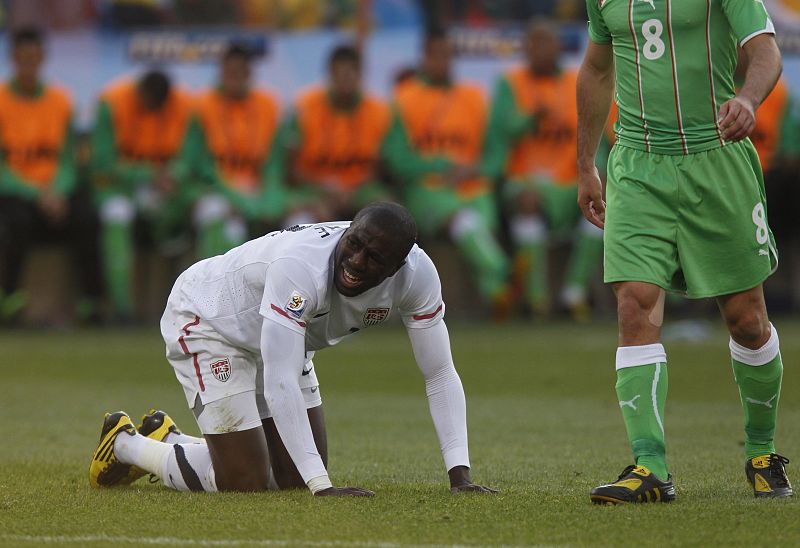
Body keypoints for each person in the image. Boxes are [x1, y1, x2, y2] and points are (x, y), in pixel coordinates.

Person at [89, 202, 497, 496]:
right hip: (210, 320)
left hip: (283, 336)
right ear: (348, 230)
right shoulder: (302, 267)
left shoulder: (418, 276)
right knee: (244, 479)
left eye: (373, 258)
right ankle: (125, 444)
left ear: (397, 268)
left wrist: (459, 474)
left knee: (294, 477)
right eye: (353, 243)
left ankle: (173, 438)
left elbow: (440, 373)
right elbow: (281, 379)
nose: (354, 260)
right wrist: (324, 489)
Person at [577, 1, 791, 503]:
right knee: (635, 302)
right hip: (636, 165)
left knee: (747, 319)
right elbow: (596, 66)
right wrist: (586, 162)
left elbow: (766, 51)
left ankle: (761, 452)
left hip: (715, 159)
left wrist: (748, 98)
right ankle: (649, 466)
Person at [483, 18, 603, 321]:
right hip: (524, 182)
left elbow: (599, 132)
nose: (540, 50)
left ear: (559, 47)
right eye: (533, 44)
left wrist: (597, 170)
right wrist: (530, 119)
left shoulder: (577, 82)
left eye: (546, 43)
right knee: (528, 203)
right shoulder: (510, 84)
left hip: (567, 182)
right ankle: (535, 300)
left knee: (601, 202)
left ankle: (573, 294)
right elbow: (499, 131)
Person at [394, 27, 510, 313]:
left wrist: (475, 169)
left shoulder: (474, 97)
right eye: (436, 55)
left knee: (474, 221)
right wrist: (440, 165)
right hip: (428, 188)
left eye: (447, 55)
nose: (442, 62)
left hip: (472, 186)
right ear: (424, 57)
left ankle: (498, 295)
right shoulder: (403, 99)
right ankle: (505, 272)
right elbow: (396, 158)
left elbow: (495, 151)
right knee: (465, 221)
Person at [0, 26, 102, 324]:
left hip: (55, 193)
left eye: (35, 57)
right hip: (17, 194)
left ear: (43, 58)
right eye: (23, 58)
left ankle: (92, 303)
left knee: (87, 216)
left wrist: (57, 191)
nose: (29, 64)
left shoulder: (61, 102)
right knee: (15, 221)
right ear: (13, 58)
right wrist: (36, 194)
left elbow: (69, 161)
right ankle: (10, 301)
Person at [283, 44, 442, 225]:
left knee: (389, 214)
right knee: (300, 219)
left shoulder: (379, 112)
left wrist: (351, 190)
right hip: (314, 189)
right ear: (329, 74)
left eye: (351, 73)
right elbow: (292, 169)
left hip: (362, 189)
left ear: (361, 74)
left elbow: (383, 166)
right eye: (340, 74)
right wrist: (324, 189)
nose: (346, 80)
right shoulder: (304, 107)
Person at [91, 69, 195, 320]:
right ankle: (122, 309)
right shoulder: (112, 102)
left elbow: (191, 157)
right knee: (117, 213)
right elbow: (103, 163)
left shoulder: (184, 106)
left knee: (203, 210)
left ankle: (191, 307)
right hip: (119, 188)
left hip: (166, 191)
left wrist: (174, 175)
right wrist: (149, 175)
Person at [176, 43, 286, 258]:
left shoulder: (268, 106)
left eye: (240, 71)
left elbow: (274, 166)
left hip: (256, 193)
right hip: (213, 191)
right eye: (229, 71)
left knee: (293, 226)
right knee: (216, 214)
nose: (233, 77)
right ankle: (210, 288)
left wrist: (264, 200)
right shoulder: (201, 106)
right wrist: (234, 196)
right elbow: (197, 165)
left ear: (249, 73)